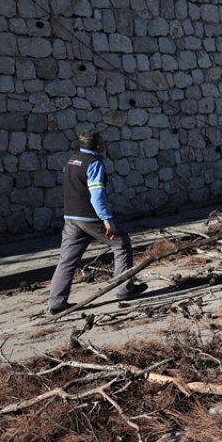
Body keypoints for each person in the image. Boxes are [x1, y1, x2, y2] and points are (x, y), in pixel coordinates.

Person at [47, 129, 147, 313]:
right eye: (103, 142)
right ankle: (125, 289)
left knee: (67, 260)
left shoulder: (71, 161)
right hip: (89, 217)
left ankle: (56, 302)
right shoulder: (94, 164)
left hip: (70, 217)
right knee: (121, 243)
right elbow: (97, 195)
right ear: (99, 146)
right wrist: (107, 220)